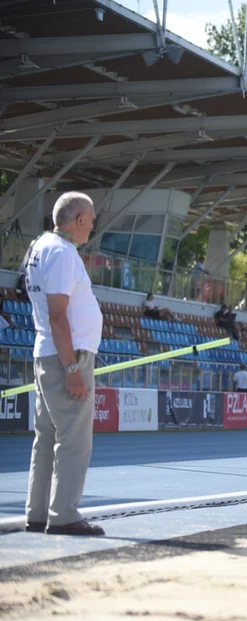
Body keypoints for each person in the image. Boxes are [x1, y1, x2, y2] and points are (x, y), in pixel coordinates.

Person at [22, 192, 105, 535]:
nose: (93, 226)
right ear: (81, 219)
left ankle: (39, 512)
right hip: (65, 357)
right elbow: (58, 316)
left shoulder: (40, 246)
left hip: (49, 352)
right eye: (92, 220)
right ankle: (65, 515)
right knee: (73, 439)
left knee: (47, 436)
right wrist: (72, 369)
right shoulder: (62, 252)